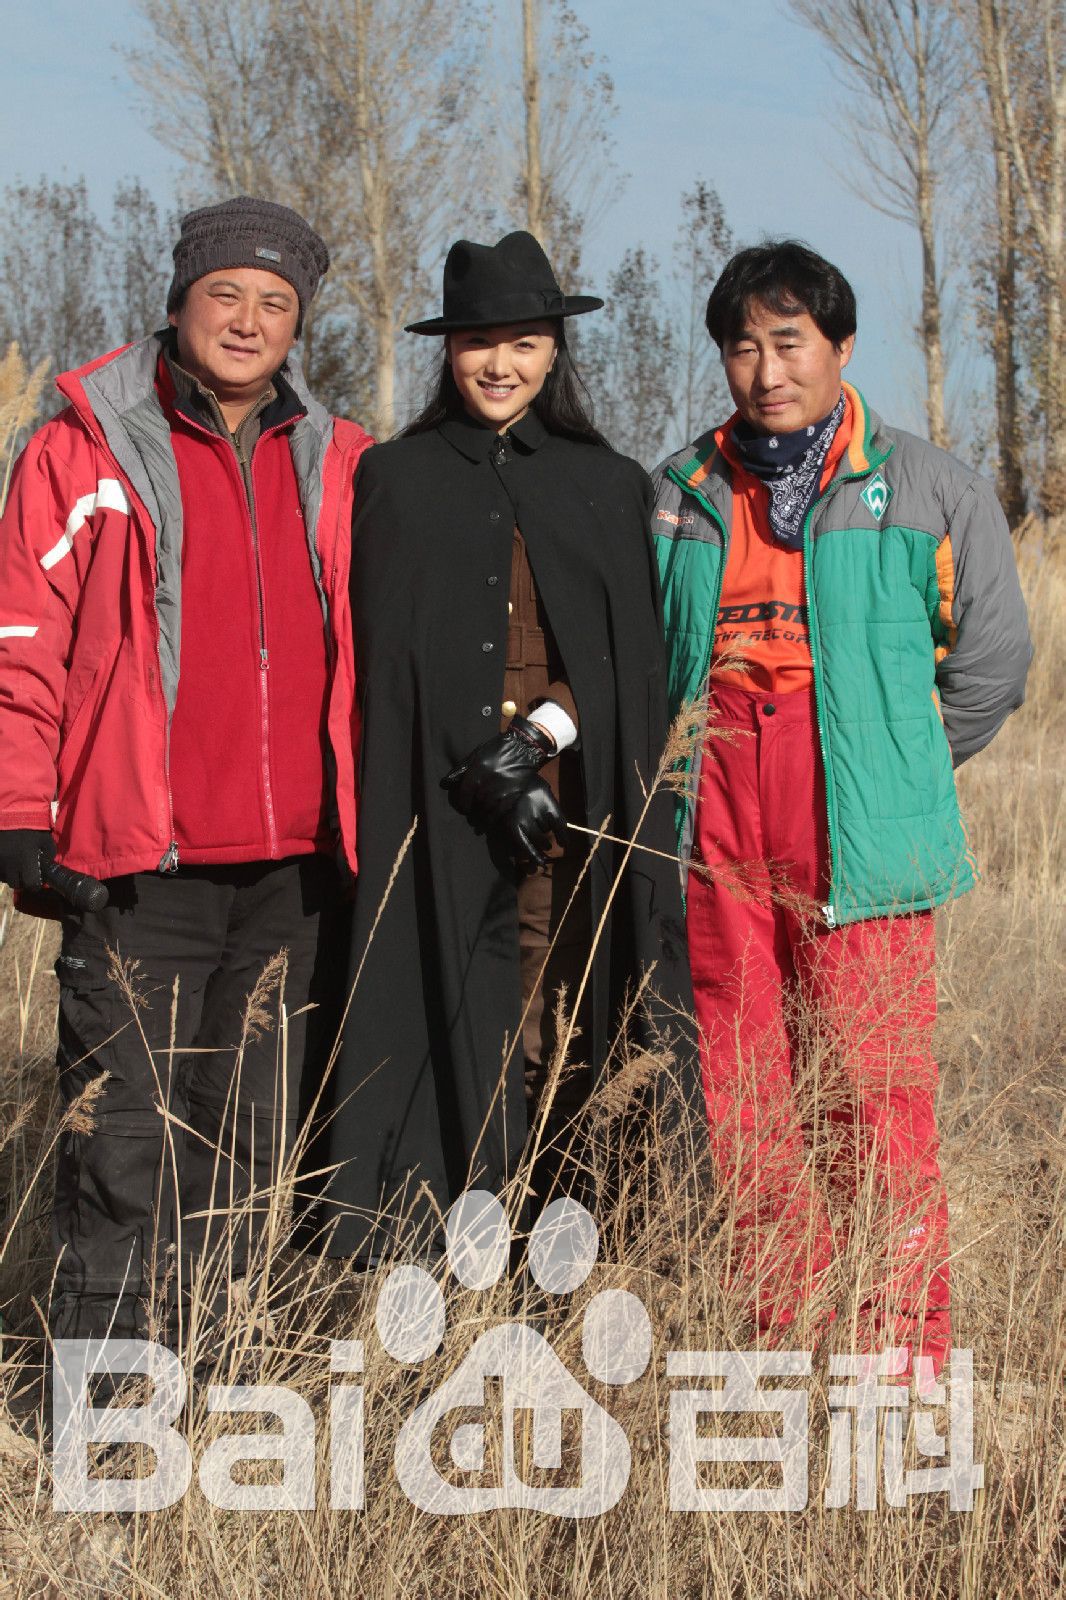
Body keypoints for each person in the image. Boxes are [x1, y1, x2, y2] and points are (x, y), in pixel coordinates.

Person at [651, 240, 1032, 1375]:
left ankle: (904, 1357)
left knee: (873, 1095)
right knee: (744, 1092)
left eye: (788, 342)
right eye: (741, 345)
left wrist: (891, 764)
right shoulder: (677, 491)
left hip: (854, 822)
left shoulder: (928, 486)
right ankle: (787, 1345)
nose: (765, 369)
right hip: (711, 808)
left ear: (839, 348)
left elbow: (994, 666)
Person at [0, 196, 373, 1342]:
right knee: (124, 1144)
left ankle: (203, 1394)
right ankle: (107, 1420)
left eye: (276, 304)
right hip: (138, 864)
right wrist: (22, 805)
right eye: (228, 295)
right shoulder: (81, 446)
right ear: (179, 302)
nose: (250, 321)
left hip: (297, 877)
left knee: (246, 1145)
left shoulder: (342, 457)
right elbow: (21, 635)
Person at [304, 230, 698, 1262]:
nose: (499, 363)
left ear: (555, 351)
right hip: (438, 810)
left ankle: (560, 1247)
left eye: (522, 341)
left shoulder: (605, 482)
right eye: (478, 340)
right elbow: (382, 667)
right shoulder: (392, 480)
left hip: (575, 804)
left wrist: (532, 747)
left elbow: (629, 664)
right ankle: (439, 1248)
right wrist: (476, 773)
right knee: (455, 1020)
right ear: (448, 349)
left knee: (561, 1019)